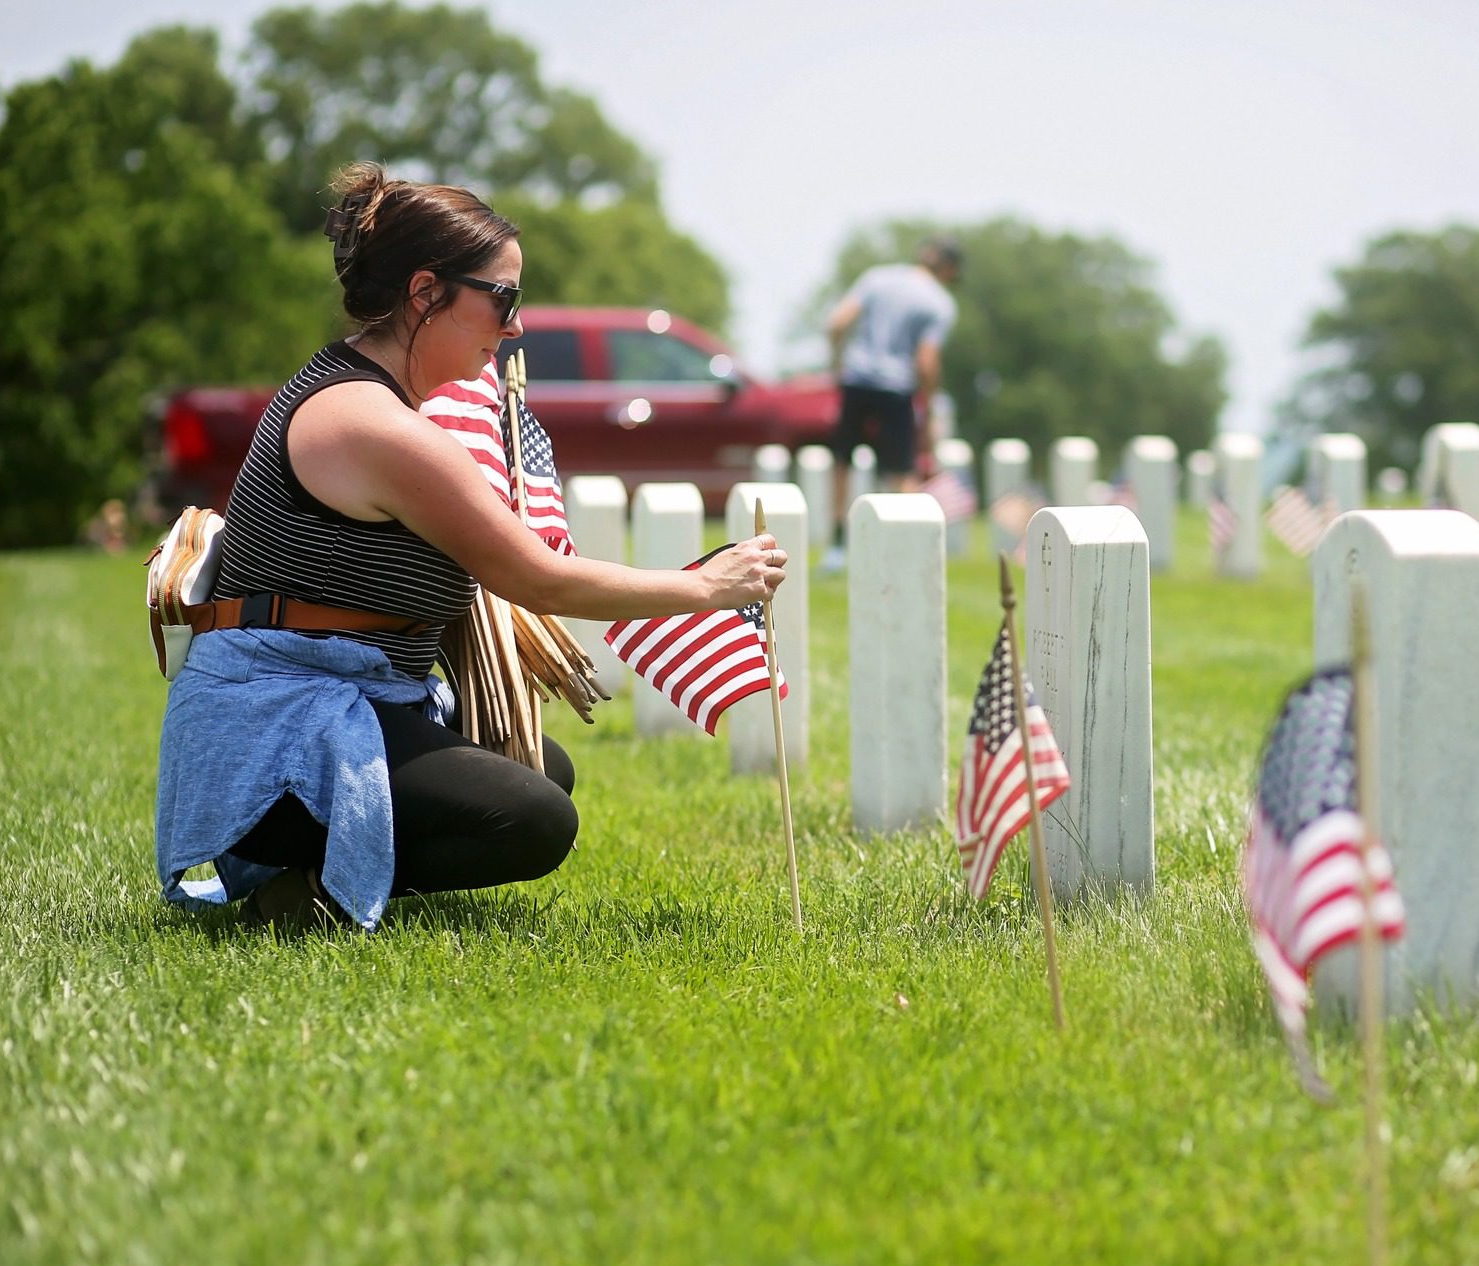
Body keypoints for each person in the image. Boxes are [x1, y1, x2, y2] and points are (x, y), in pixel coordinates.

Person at [154, 162, 787, 930]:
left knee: (537, 766)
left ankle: (326, 870)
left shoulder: (374, 395)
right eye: (503, 299)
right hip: (272, 735)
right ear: (426, 293)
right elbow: (536, 577)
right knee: (533, 819)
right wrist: (709, 588)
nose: (516, 325)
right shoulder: (374, 423)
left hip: (326, 701)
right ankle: (304, 897)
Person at [819, 236, 961, 570]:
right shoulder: (940, 303)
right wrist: (930, 404)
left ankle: (838, 544)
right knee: (902, 472)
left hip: (857, 381)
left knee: (842, 463)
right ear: (949, 269)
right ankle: (907, 547)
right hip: (896, 389)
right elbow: (927, 361)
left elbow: (837, 323)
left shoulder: (878, 278)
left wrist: (838, 364)